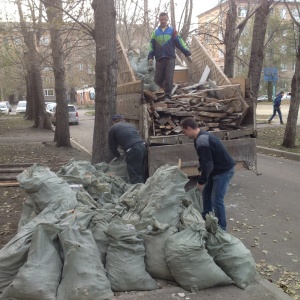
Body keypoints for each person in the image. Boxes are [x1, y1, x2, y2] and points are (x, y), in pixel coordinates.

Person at [181, 117, 236, 230]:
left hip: (223, 171)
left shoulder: (202, 140)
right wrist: (202, 170)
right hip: (215, 170)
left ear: (189, 128)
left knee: (217, 200)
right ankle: (206, 218)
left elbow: (208, 165)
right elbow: (205, 159)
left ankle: (221, 228)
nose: (184, 134)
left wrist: (201, 181)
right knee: (206, 194)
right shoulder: (199, 138)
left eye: (184, 131)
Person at [148, 12, 192, 101]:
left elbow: (180, 43)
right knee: (158, 79)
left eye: (164, 19)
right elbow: (151, 46)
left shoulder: (172, 31)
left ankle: (167, 95)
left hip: (170, 58)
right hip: (159, 58)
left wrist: (187, 54)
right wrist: (150, 57)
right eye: (161, 19)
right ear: (159, 20)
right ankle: (167, 87)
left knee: (169, 76)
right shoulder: (155, 33)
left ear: (167, 19)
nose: (163, 21)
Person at [108, 114, 147, 184]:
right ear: (123, 120)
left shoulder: (113, 128)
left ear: (113, 122)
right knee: (141, 172)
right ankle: (143, 189)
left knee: (135, 174)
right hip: (143, 146)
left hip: (133, 149)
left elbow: (112, 147)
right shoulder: (131, 125)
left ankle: (137, 192)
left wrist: (118, 156)